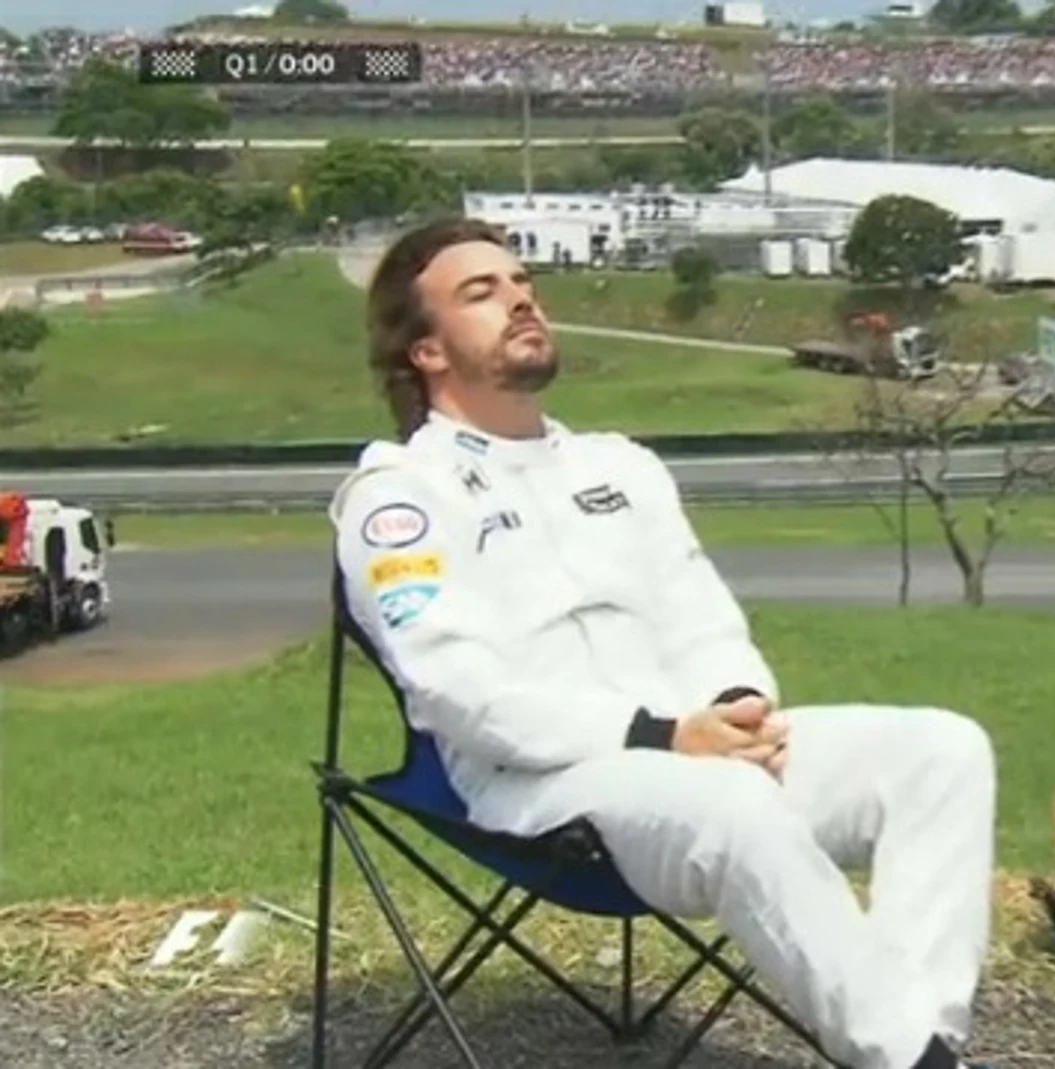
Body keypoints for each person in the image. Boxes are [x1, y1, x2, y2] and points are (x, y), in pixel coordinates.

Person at [329, 218, 999, 1069]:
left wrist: (732, 709)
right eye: (481, 291)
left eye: (521, 279)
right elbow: (459, 692)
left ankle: (927, 1040)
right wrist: (662, 735)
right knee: (738, 807)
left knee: (943, 750)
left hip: (698, 757)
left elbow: (702, 619)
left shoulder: (622, 466)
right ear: (424, 352)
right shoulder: (399, 495)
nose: (520, 297)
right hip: (548, 790)